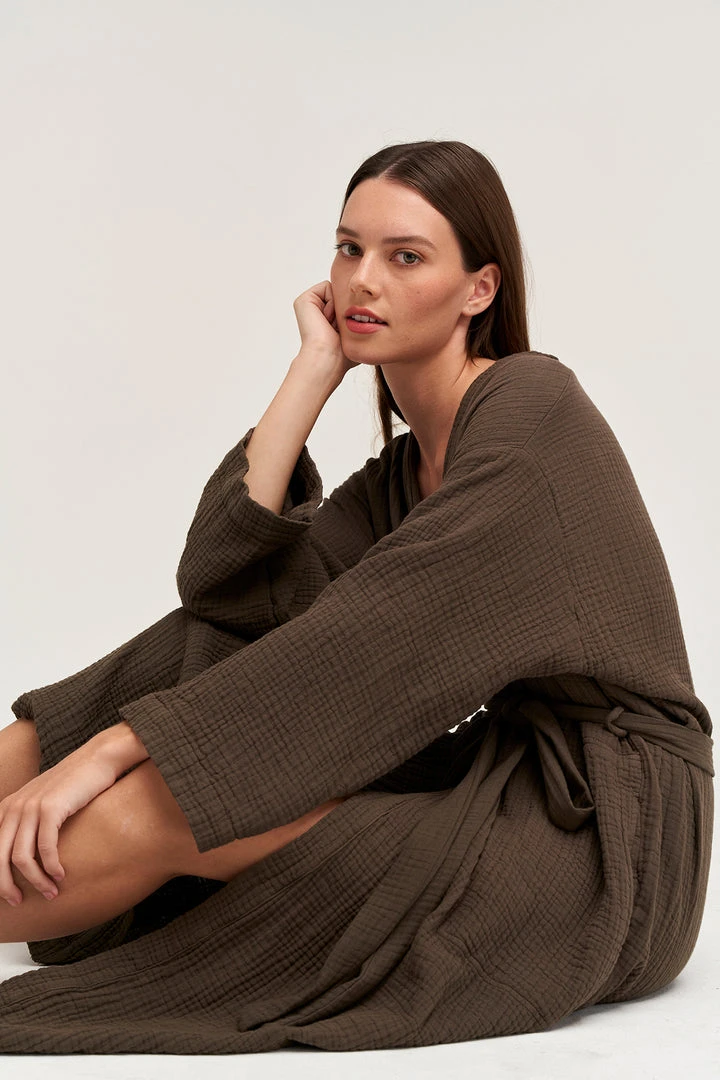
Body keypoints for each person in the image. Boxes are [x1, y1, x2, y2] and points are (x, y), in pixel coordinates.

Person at [0, 140, 713, 1055]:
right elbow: (226, 590)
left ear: (480, 289)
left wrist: (114, 749)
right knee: (201, 647)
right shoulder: (402, 476)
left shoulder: (533, 411)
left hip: (607, 835)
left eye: (405, 256)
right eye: (348, 249)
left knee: (160, 802)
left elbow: (374, 640)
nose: (361, 280)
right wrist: (313, 369)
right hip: (495, 779)